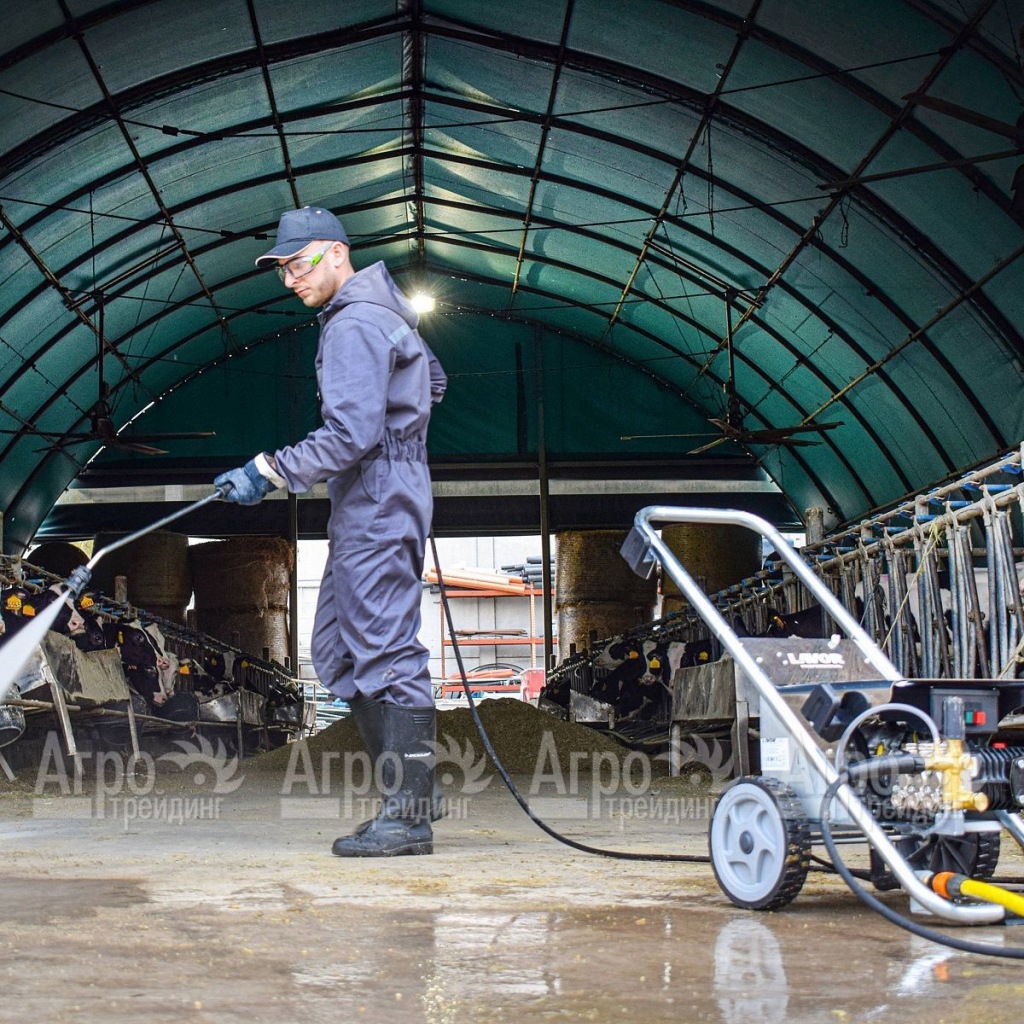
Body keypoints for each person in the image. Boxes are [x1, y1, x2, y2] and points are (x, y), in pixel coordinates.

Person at [214, 207, 447, 858]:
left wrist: (269, 470)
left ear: (337, 253)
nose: (291, 278)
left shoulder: (354, 322)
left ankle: (409, 814)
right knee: (339, 650)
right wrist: (402, 431)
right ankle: (417, 789)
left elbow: (350, 433)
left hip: (378, 494)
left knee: (385, 650)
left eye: (299, 263)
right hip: (374, 492)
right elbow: (434, 380)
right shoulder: (383, 314)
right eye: (283, 269)